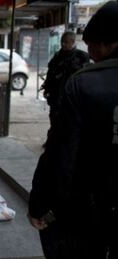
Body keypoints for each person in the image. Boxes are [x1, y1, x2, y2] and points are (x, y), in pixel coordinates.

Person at [28, 2, 118, 258]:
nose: (89, 51)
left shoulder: (85, 83)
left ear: (106, 43)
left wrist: (39, 204)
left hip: (88, 207)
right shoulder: (66, 65)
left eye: (92, 45)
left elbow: (60, 153)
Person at [41, 31, 89, 125]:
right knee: (55, 125)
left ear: (72, 41)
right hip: (56, 98)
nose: (63, 44)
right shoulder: (57, 56)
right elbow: (50, 73)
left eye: (66, 42)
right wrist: (47, 88)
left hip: (72, 100)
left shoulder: (81, 56)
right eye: (62, 41)